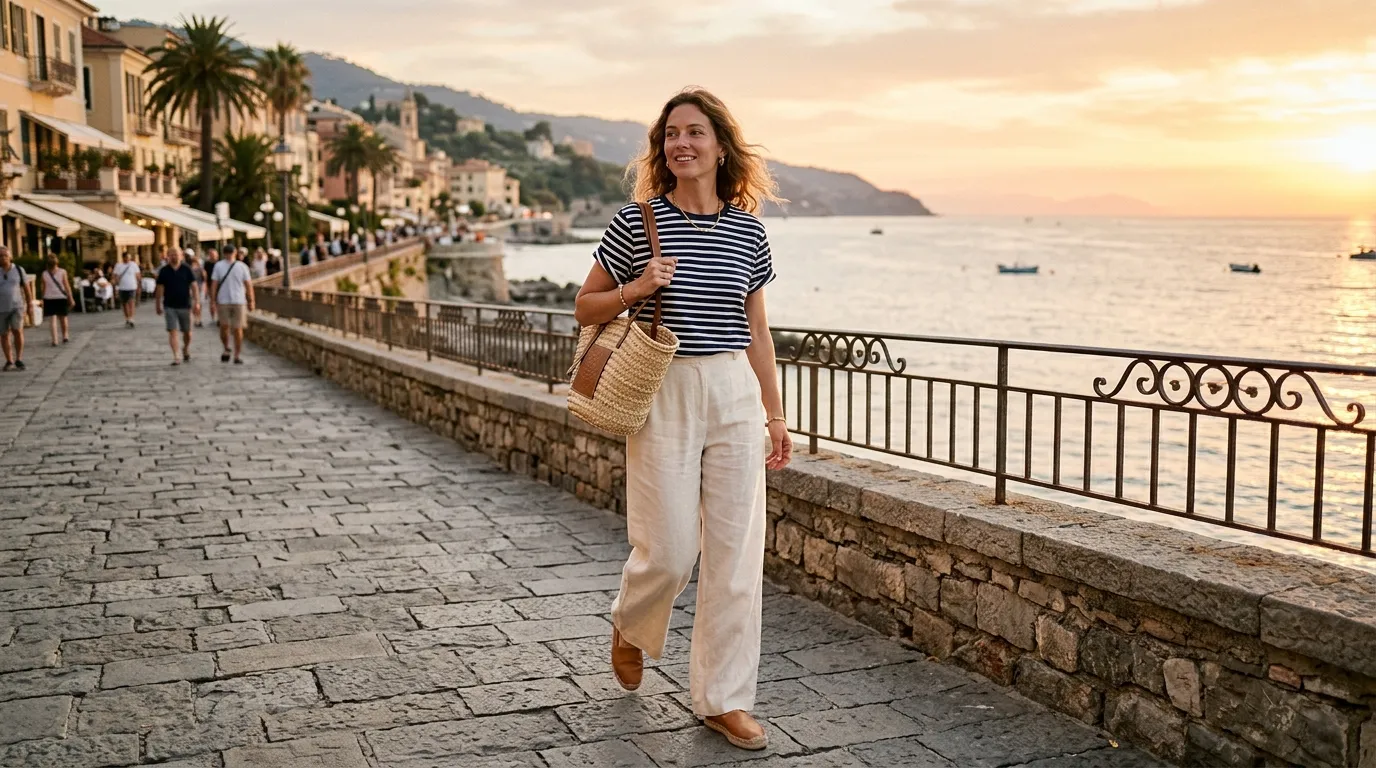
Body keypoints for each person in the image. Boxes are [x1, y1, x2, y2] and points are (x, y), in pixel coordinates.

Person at [572, 88, 790, 751]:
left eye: (695, 132)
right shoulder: (636, 223)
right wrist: (638, 288)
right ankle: (632, 622)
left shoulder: (749, 229)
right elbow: (585, 306)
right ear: (661, 148)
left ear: (721, 146)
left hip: (732, 391)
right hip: (661, 386)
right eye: (671, 134)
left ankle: (723, 699)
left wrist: (775, 414)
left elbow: (755, 326)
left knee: (735, 557)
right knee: (666, 549)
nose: (681, 143)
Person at [209, 243, 254, 364]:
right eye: (227, 253)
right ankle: (226, 347)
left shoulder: (242, 266)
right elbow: (214, 284)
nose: (229, 255)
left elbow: (248, 284)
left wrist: (251, 300)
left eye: (231, 253)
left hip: (239, 301)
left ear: (235, 254)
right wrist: (212, 301)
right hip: (223, 300)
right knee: (224, 327)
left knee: (238, 328)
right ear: (224, 254)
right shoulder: (219, 266)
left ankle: (237, 354)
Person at [155, 246, 200, 365]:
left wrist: (197, 302)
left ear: (181, 255)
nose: (174, 256)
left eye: (176, 254)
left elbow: (194, 286)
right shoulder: (164, 271)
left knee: (187, 332)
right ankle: (176, 355)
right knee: (172, 331)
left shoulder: (187, 269)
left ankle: (185, 348)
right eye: (171, 254)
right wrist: (158, 304)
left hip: (185, 305)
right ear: (168, 256)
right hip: (169, 305)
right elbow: (159, 288)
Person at [0, 247, 32, 371]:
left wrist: (29, 305)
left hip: (16, 306)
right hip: (1, 308)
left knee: (17, 331)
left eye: (5, 256)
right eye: (0, 256)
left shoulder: (18, 270)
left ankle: (19, 358)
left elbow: (27, 288)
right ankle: (9, 360)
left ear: (10, 257)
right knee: (3, 335)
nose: (3, 258)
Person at [39, 254, 73, 346]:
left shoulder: (44, 274)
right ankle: (65, 335)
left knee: (52, 319)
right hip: (61, 297)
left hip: (49, 298)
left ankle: (55, 340)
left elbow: (43, 288)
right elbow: (66, 286)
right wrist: (71, 298)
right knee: (63, 318)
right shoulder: (62, 272)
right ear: (57, 262)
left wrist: (42, 299)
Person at [112, 251, 141, 327]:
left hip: (132, 286)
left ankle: (131, 318)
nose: (128, 259)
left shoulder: (133, 265)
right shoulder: (118, 265)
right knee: (124, 304)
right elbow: (114, 275)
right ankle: (127, 318)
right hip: (122, 287)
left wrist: (139, 285)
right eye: (127, 257)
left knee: (131, 302)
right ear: (123, 258)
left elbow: (138, 275)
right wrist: (115, 281)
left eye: (129, 257)